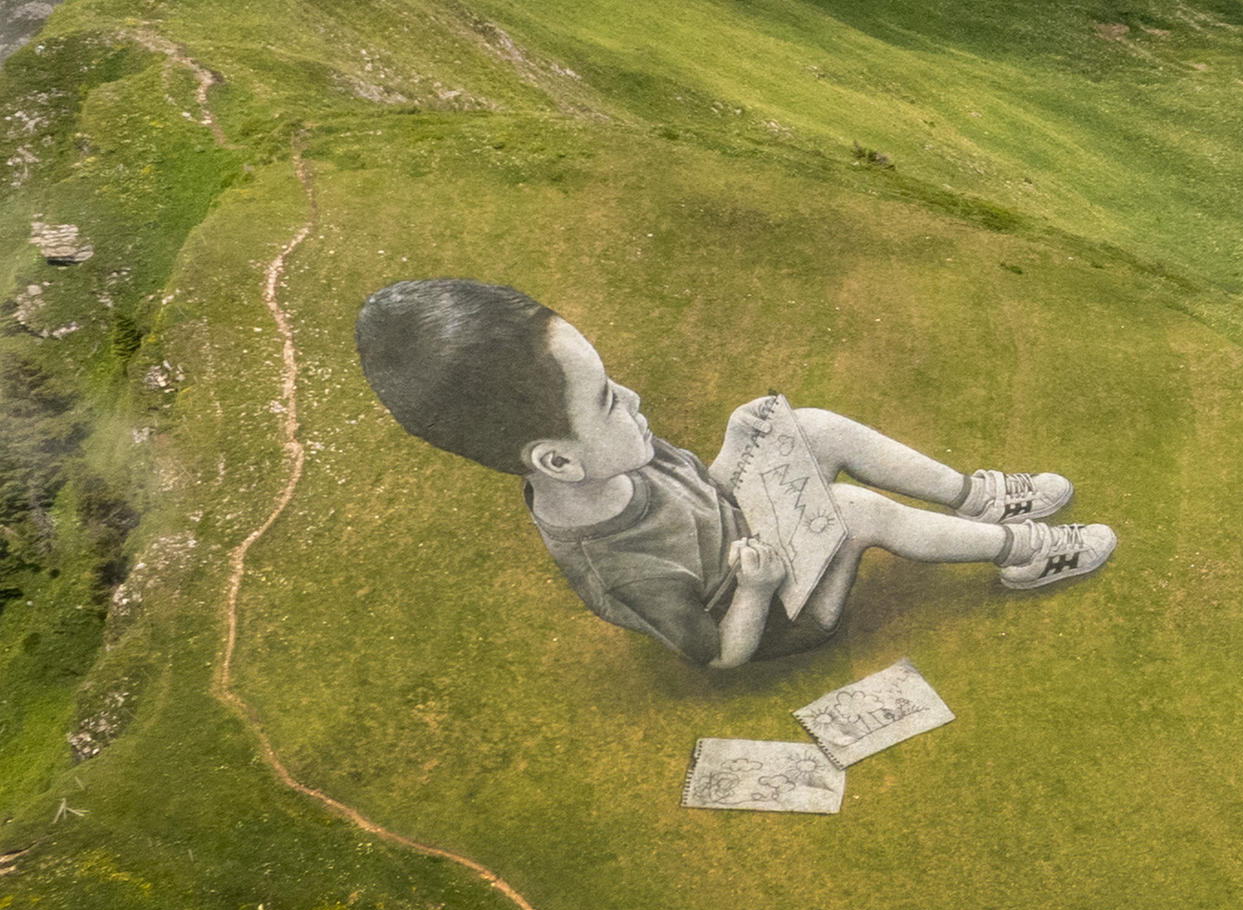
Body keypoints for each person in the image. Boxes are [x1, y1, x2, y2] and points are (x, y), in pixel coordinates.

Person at [352, 277, 1111, 672]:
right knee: (854, 511)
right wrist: (752, 587)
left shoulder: (615, 465)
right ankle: (1025, 552)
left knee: (811, 425)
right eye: (610, 400)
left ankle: (975, 497)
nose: (637, 400)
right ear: (558, 459)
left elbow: (707, 498)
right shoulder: (617, 564)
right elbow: (720, 654)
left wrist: (733, 443)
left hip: (751, 540)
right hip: (775, 614)